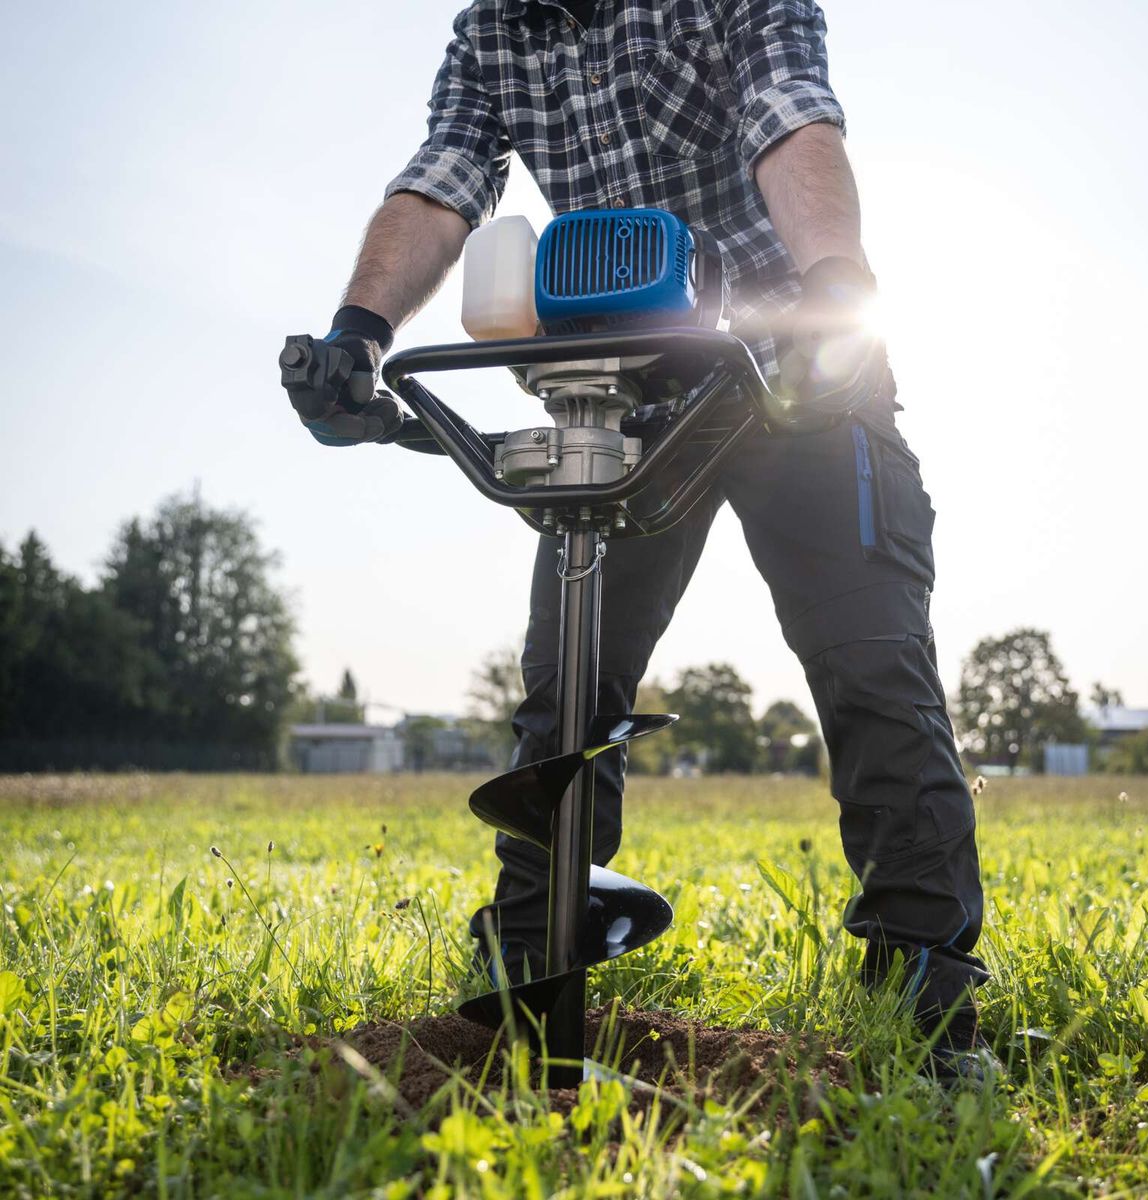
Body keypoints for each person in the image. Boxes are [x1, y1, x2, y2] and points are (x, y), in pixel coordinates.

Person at [282, 0, 990, 1078]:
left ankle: (930, 1023)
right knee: (565, 690)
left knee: (870, 673)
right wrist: (359, 332)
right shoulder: (494, 33)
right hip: (625, 394)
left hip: (795, 367)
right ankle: (529, 992)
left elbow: (787, 114)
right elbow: (443, 176)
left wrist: (837, 285)